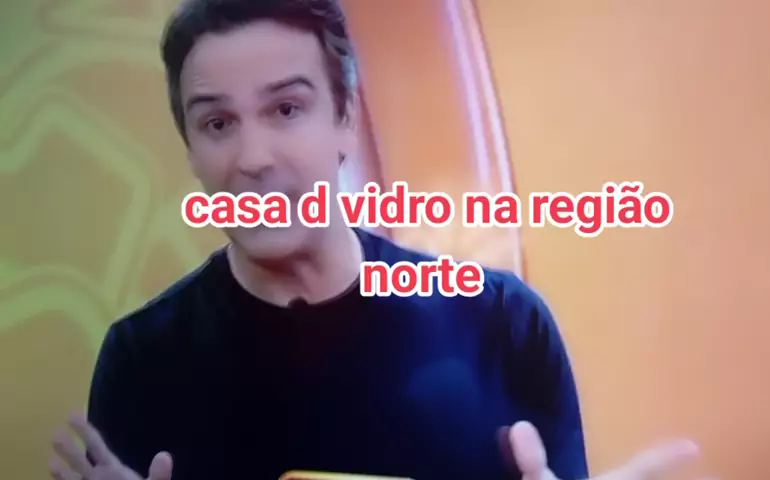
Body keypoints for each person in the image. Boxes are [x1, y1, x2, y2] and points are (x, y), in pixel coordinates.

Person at [49, 0, 703, 479]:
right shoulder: (142, 361)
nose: (253, 158)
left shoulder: (501, 322)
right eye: (218, 123)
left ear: (344, 119)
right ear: (191, 149)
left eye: (286, 109)